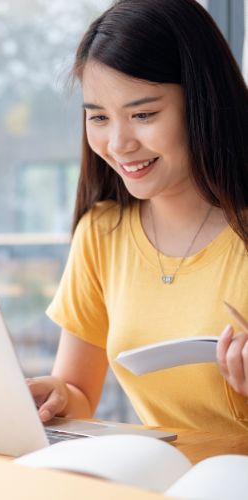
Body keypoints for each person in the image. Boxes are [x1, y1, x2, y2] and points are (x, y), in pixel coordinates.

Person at [28, 0, 248, 434]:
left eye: (144, 114)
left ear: (203, 102)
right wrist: (54, 395)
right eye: (99, 118)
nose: (118, 143)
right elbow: (79, 392)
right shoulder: (103, 231)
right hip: (156, 481)